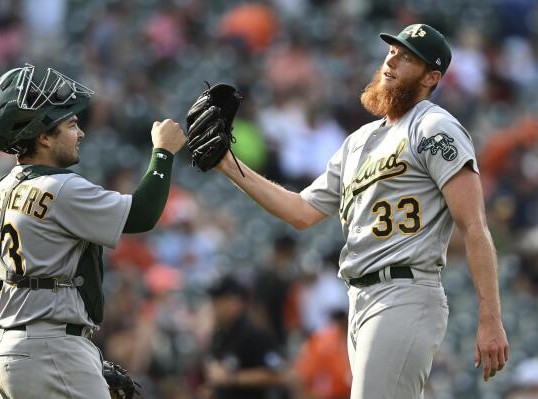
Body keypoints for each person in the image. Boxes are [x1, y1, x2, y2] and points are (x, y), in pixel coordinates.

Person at [214, 24, 509, 398]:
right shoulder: (358, 142)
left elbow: (475, 227)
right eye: (392, 51)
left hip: (405, 292)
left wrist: (491, 318)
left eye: (408, 58)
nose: (392, 60)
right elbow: (301, 211)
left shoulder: (435, 128)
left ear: (431, 77)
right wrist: (228, 163)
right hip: (360, 299)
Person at [0, 64, 186, 398]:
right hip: (51, 349)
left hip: (9, 350)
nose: (81, 132)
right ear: (44, 136)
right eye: (71, 124)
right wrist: (163, 153)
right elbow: (142, 215)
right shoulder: (60, 187)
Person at [204, 275, 288, 399]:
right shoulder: (219, 334)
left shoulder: (255, 334)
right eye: (214, 301)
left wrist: (232, 378)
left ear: (237, 302)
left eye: (221, 301)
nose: (215, 307)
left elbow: (279, 374)